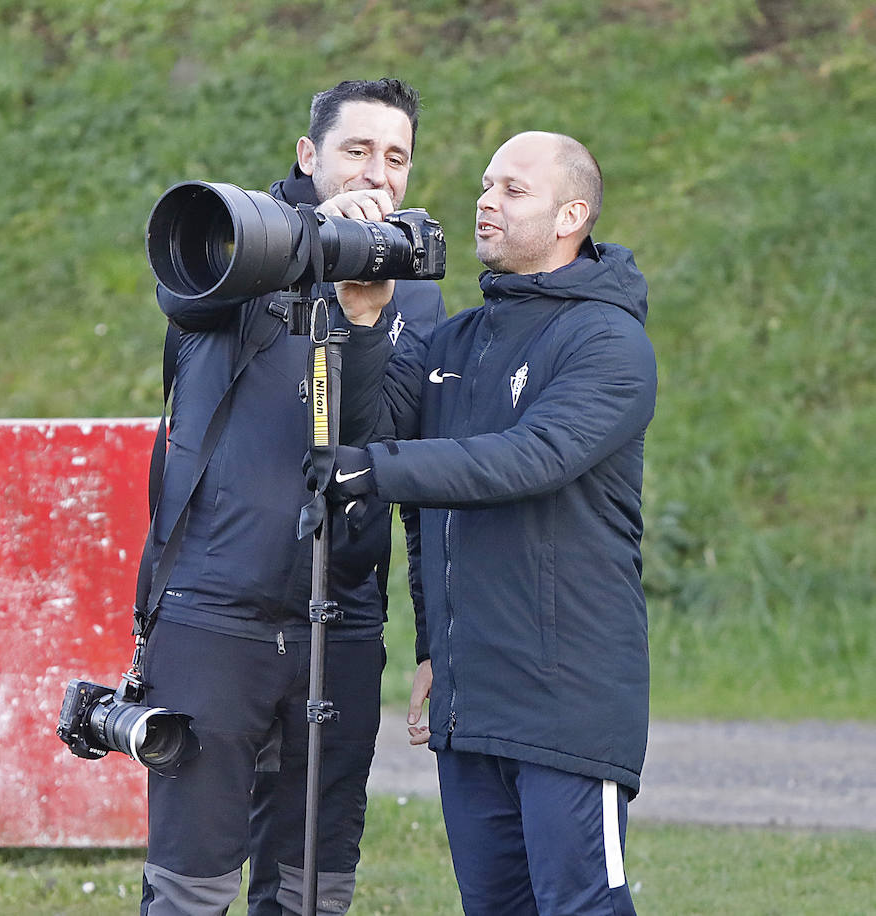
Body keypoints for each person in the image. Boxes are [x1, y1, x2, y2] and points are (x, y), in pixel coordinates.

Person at [321, 130, 656, 915]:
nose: (485, 201)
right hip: (470, 701)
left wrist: (379, 468)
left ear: (572, 213)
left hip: (567, 700)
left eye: (513, 189)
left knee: (583, 908)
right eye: (484, 184)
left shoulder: (610, 342)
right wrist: (368, 323)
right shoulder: (456, 339)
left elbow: (525, 459)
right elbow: (373, 438)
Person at [138, 78, 445, 915]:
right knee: (190, 889)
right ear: (309, 156)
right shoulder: (235, 238)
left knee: (313, 890)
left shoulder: (410, 285)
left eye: (396, 158)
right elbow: (179, 291)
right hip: (213, 615)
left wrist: (366, 316)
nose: (376, 176)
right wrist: (313, 239)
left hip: (338, 621)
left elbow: (391, 444)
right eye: (356, 151)